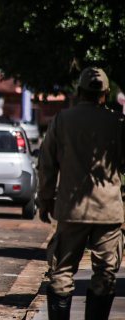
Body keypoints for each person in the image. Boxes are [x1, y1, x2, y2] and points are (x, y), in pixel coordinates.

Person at [38, 67, 125, 320]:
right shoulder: (117, 123)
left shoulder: (63, 120)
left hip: (71, 209)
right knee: (105, 274)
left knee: (62, 271)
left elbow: (46, 164)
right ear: (106, 93)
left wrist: (45, 200)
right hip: (108, 211)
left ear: (78, 91)